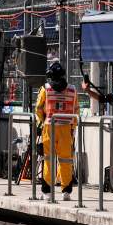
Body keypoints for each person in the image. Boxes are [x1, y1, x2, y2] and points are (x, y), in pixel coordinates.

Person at [36, 62, 79, 199]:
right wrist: (73, 126)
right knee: (66, 159)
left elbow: (38, 108)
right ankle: (66, 191)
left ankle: (47, 191)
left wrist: (41, 122)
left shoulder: (45, 88)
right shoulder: (72, 89)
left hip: (49, 126)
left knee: (48, 159)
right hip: (66, 127)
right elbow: (76, 110)